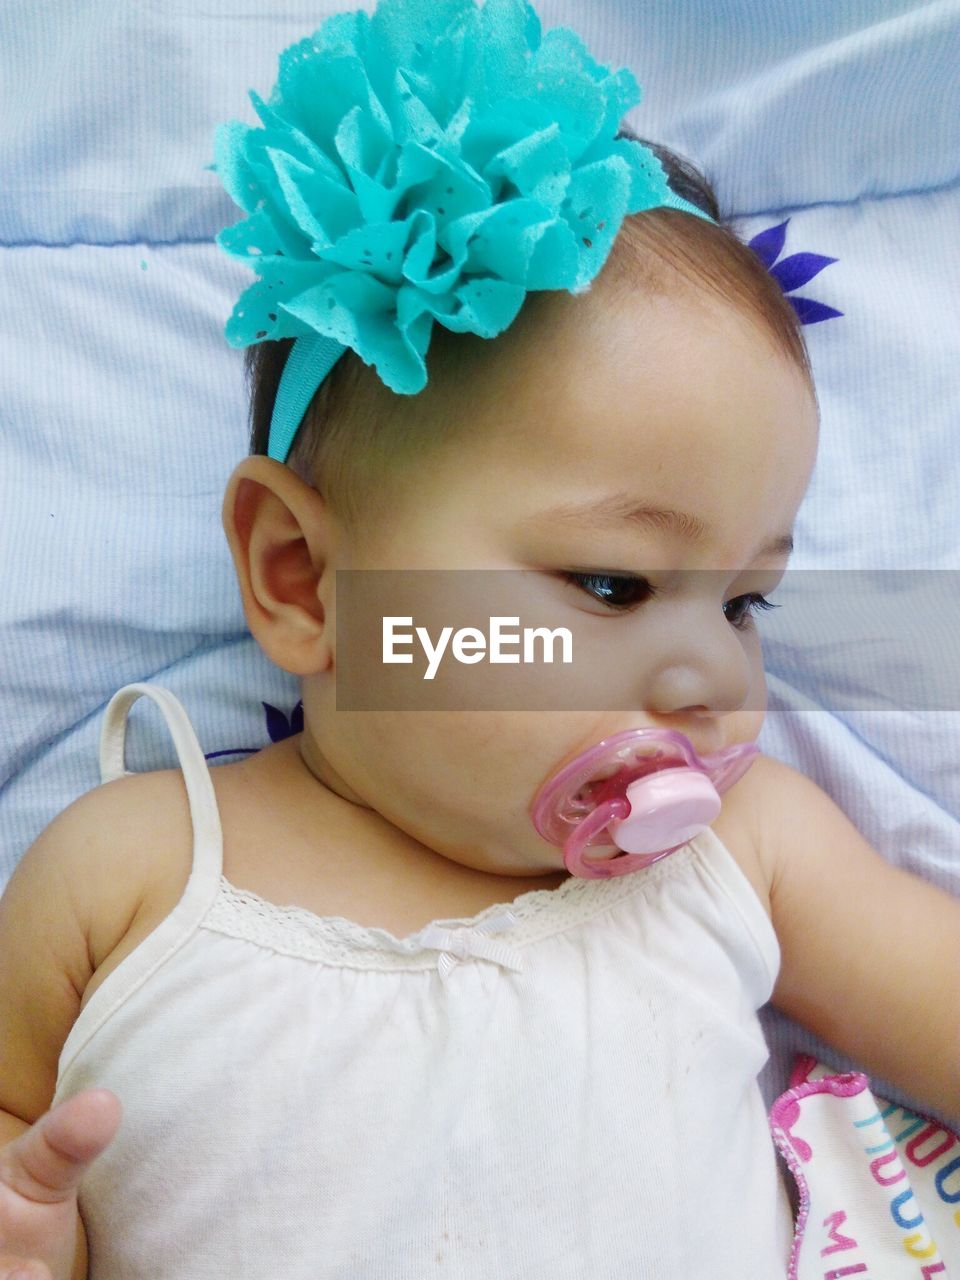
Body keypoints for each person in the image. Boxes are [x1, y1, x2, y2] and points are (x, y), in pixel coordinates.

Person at [0, 1, 957, 1276]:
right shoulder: (132, 867)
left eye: (744, 601)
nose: (716, 676)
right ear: (303, 578)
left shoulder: (747, 845)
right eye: (614, 584)